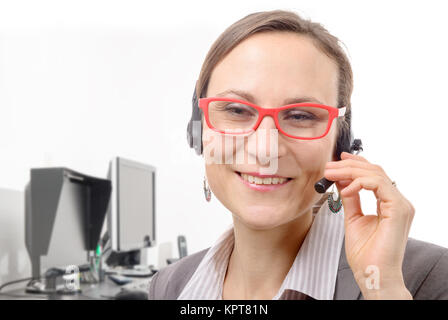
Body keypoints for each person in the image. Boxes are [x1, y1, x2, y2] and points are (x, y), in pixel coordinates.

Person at [149, 10, 448, 300]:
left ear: (339, 143)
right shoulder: (170, 286)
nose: (265, 150)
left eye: (302, 116)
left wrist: (383, 290)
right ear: (199, 131)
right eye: (236, 110)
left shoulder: (427, 278)